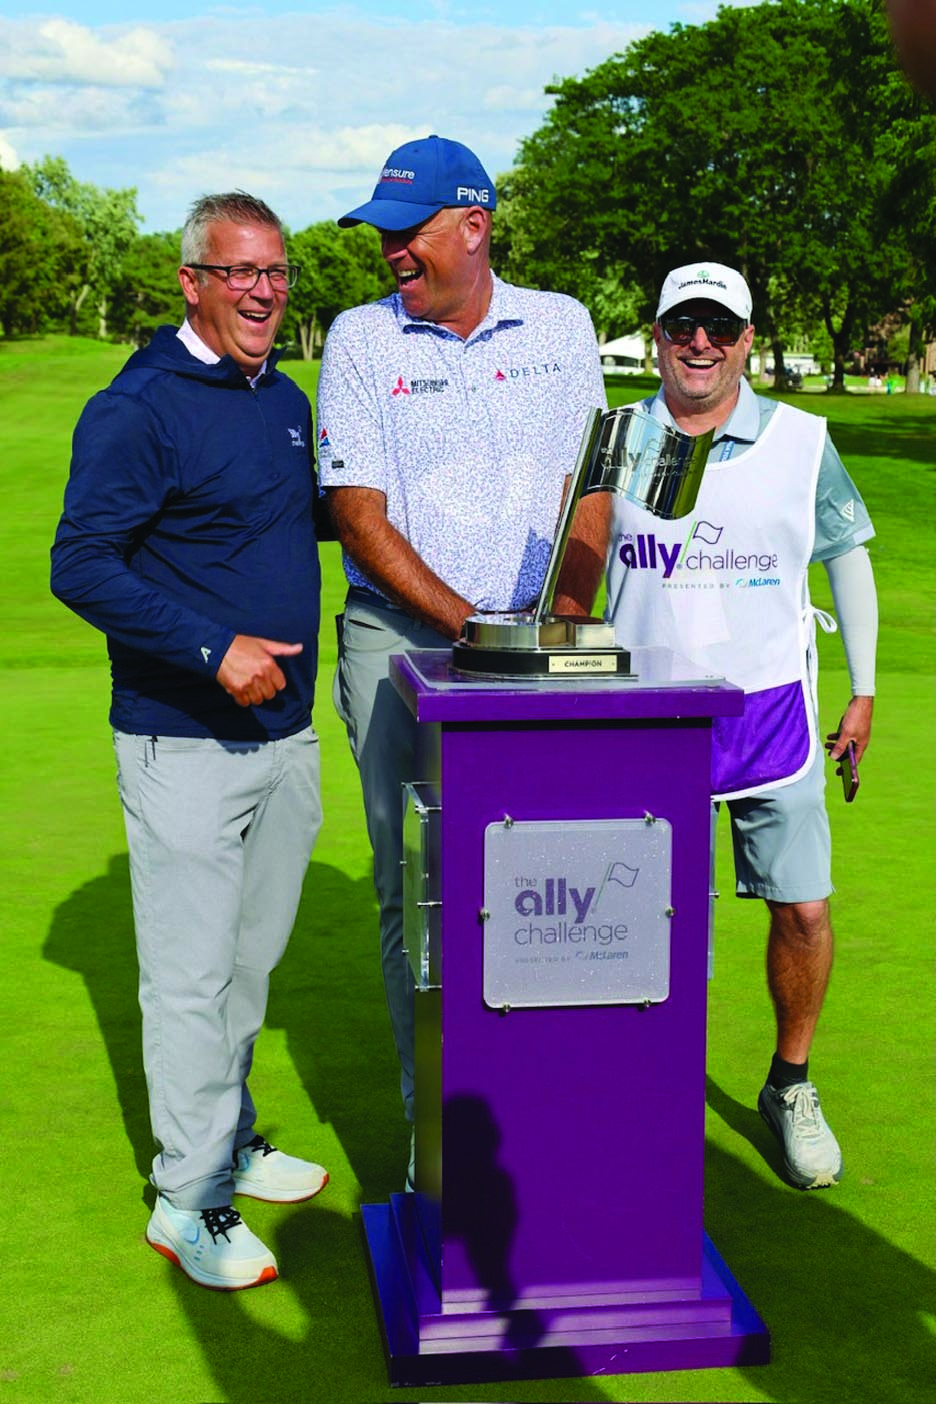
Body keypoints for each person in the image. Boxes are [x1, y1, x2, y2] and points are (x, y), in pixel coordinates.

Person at [315, 135, 608, 1179]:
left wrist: (561, 623)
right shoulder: (361, 338)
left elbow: (591, 487)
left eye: (410, 231)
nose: (391, 251)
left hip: (537, 643)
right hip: (399, 642)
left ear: (474, 227)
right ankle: (433, 1140)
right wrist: (475, 632)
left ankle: (539, 1119)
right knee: (417, 886)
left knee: (544, 876)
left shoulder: (563, 325)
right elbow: (358, 515)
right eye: (382, 233)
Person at [51, 192, 328, 1289]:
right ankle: (189, 1198)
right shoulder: (140, 405)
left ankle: (231, 1136)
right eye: (240, 271)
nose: (263, 291)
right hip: (185, 742)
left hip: (284, 738)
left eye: (277, 272)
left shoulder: (282, 397)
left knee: (246, 967)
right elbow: (81, 564)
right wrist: (213, 648)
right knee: (189, 979)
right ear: (193, 282)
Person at [605, 261, 877, 1190]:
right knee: (644, 918)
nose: (700, 343)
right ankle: (644, 1088)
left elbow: (847, 556)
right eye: (683, 324)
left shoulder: (801, 439)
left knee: (802, 909)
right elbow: (580, 563)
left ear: (747, 340)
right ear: (657, 334)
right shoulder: (617, 435)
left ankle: (789, 1084)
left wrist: (863, 690)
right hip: (643, 715)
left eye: (719, 327)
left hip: (770, 708)